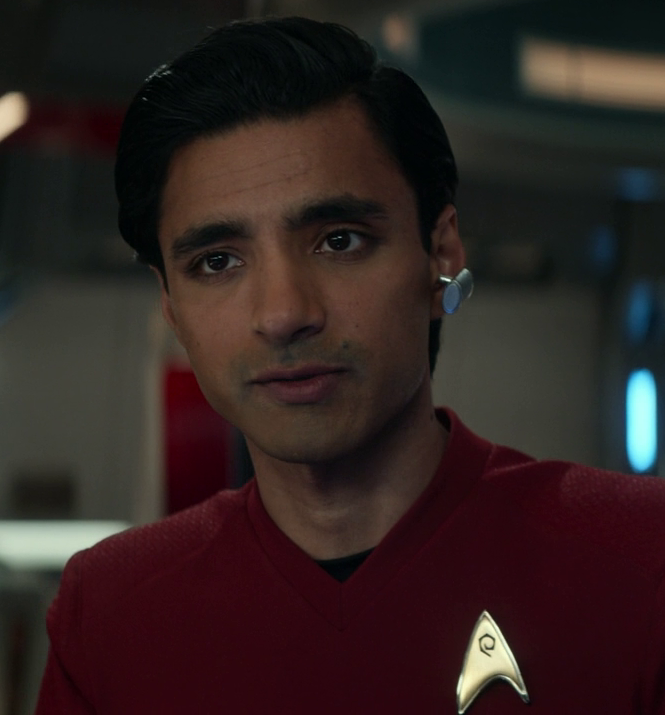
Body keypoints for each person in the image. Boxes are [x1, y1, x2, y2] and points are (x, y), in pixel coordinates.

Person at [36, 16, 665, 715]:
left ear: (440, 252)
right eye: (216, 262)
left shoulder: (641, 560)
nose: (283, 313)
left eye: (339, 241)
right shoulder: (110, 612)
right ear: (170, 305)